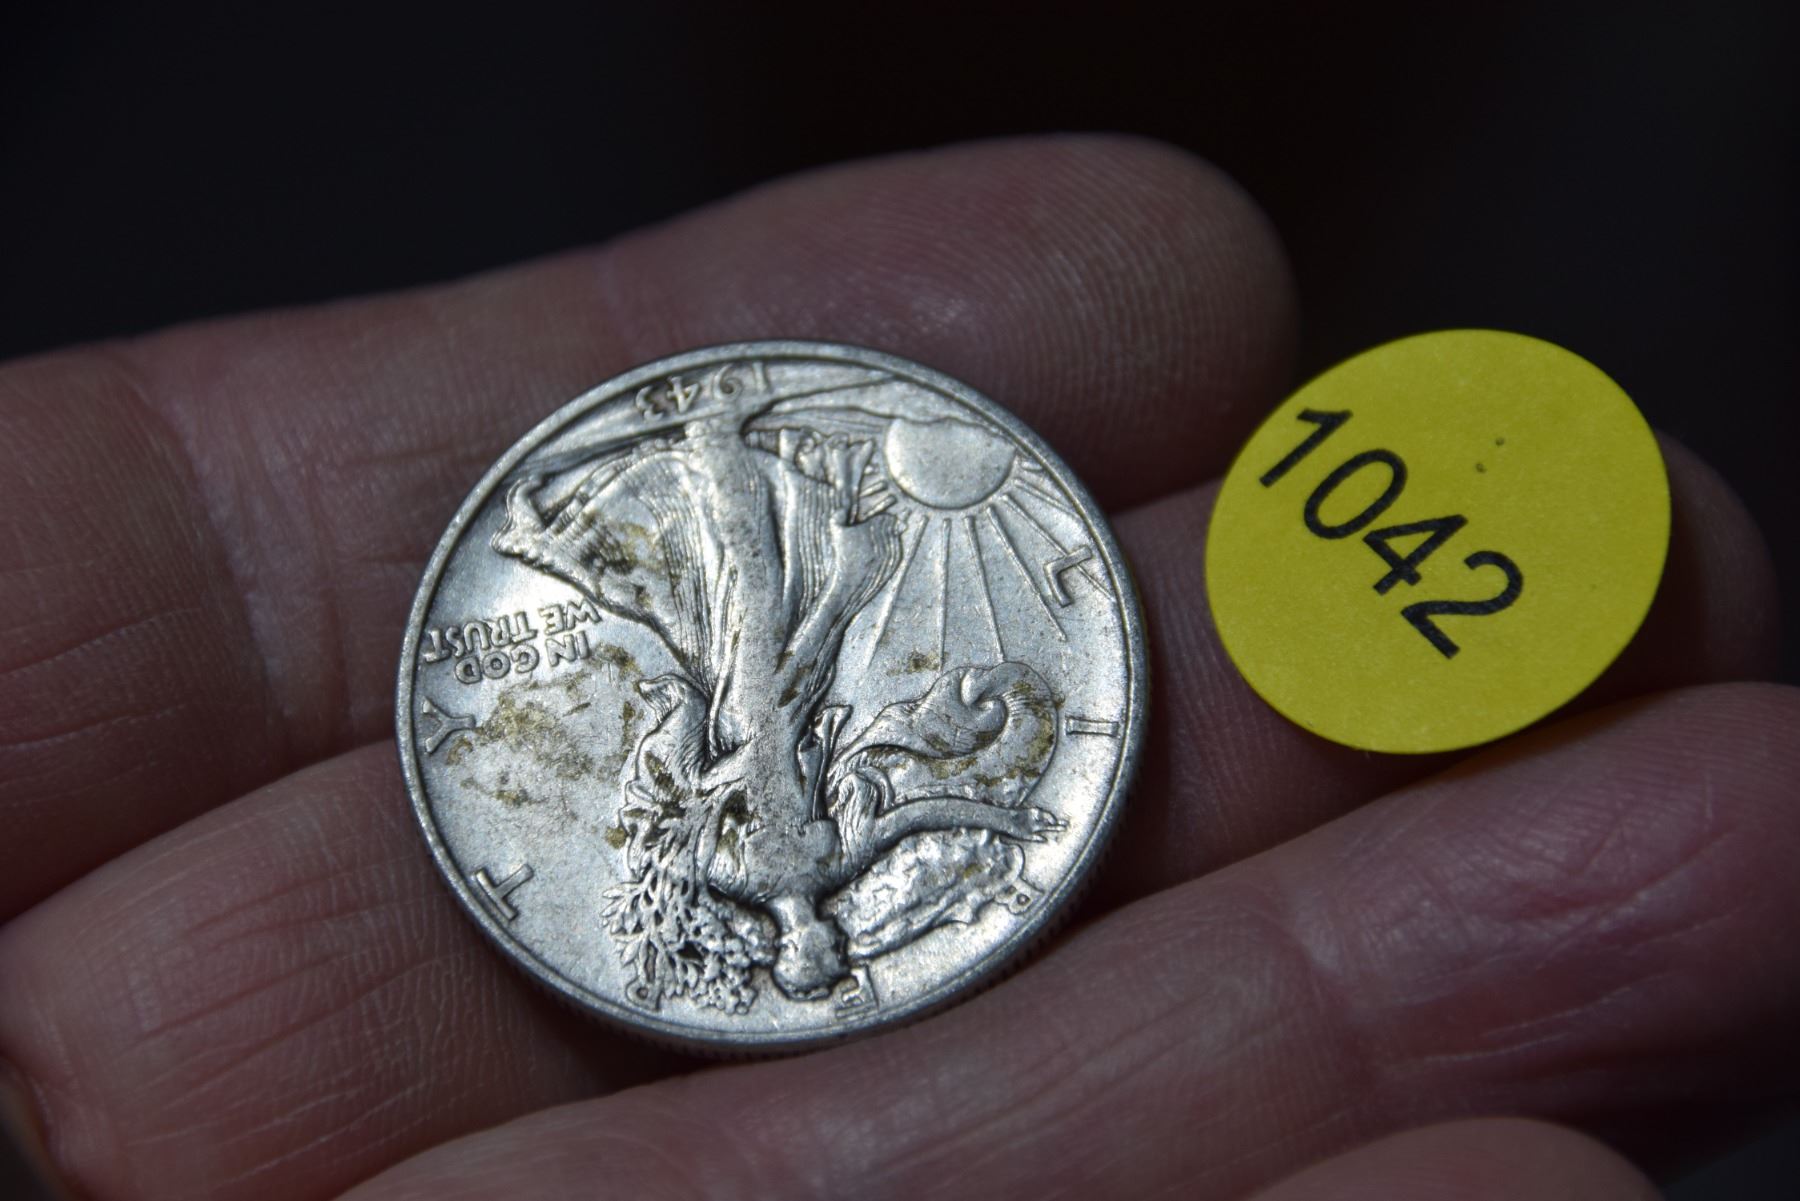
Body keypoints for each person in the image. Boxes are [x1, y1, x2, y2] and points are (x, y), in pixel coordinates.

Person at [0, 135, 1788, 1201]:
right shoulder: (798, 870)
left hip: (763, 699)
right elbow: (916, 818)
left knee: (783, 597)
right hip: (755, 694)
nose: (808, 947)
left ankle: (732, 475)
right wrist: (906, 800)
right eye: (808, 953)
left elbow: (917, 814)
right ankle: (730, 473)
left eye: (806, 952)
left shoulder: (776, 869)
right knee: (763, 597)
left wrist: (913, 799)